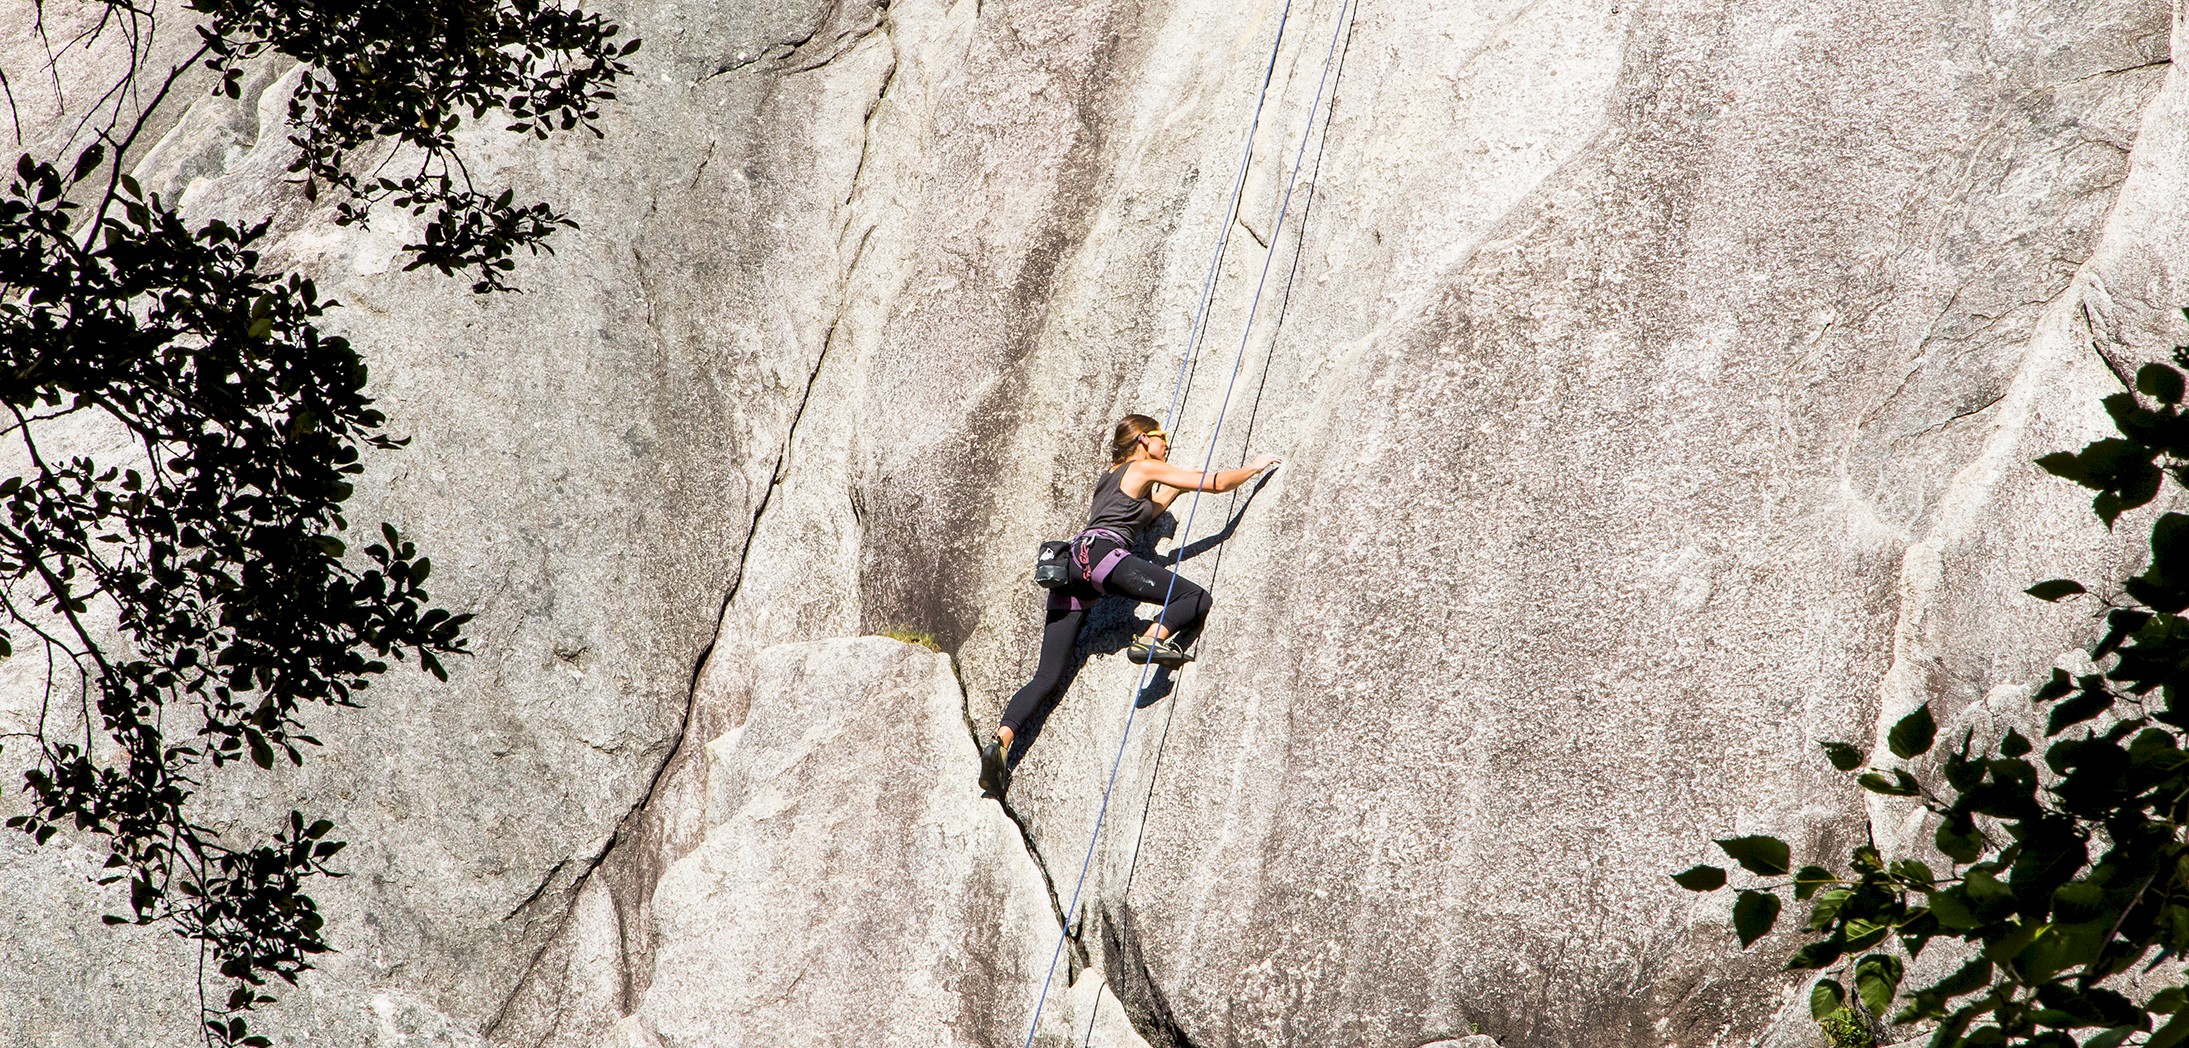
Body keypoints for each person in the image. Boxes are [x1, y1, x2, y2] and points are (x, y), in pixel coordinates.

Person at [979, 414, 1279, 796]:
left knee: (1046, 677)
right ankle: (1155, 638)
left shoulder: (1111, 475)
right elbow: (1217, 483)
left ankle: (1001, 742)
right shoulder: (1143, 466)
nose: (1166, 445)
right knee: (1194, 597)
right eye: (1161, 438)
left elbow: (1146, 513)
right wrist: (1254, 468)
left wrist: (1174, 491)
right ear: (1142, 440)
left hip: (1070, 565)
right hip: (1103, 557)